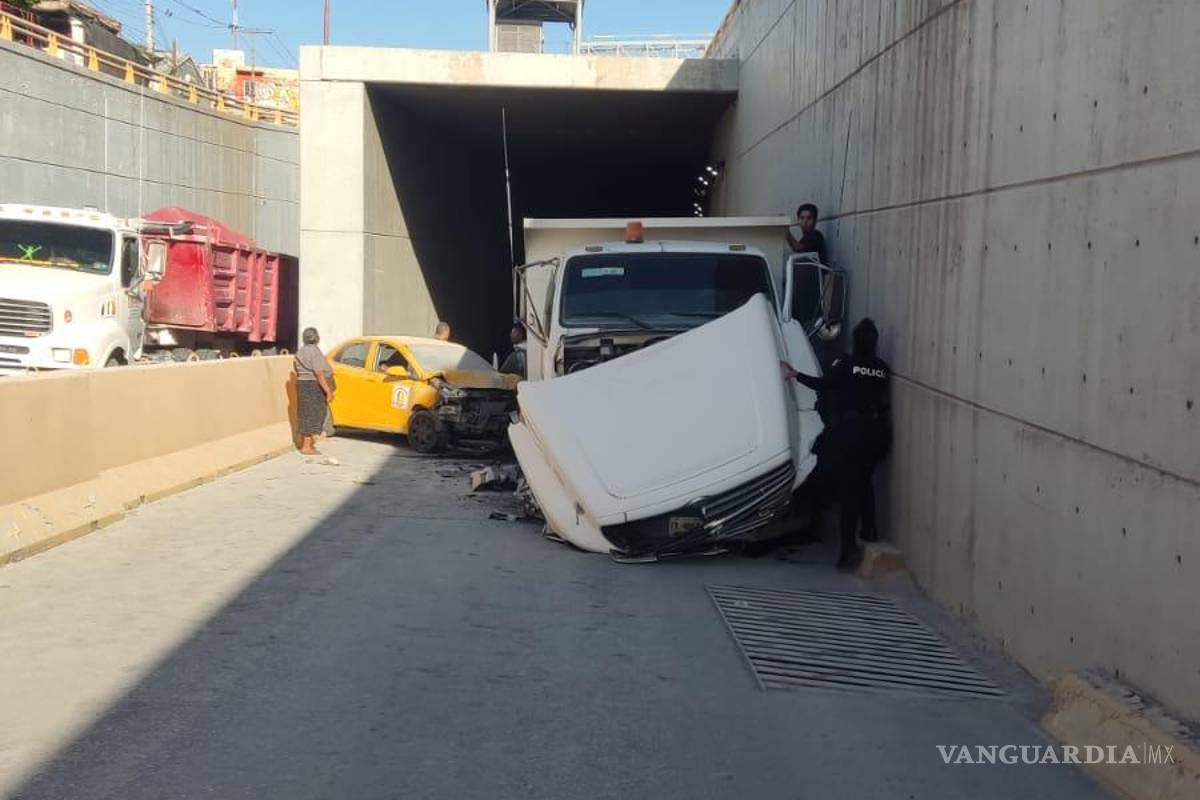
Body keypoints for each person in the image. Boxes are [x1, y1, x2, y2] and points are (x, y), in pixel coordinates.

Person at [781, 318, 891, 571]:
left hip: (852, 433)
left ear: (855, 341)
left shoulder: (846, 365)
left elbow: (824, 385)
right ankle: (870, 529)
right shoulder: (882, 368)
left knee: (849, 491)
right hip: (876, 433)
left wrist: (795, 375)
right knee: (866, 482)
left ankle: (847, 551)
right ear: (875, 343)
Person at [293, 327, 335, 456]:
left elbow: (296, 367)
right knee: (313, 414)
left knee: (306, 413)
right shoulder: (314, 352)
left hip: (303, 384)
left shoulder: (300, 351)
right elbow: (319, 373)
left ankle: (308, 444)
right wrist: (328, 391)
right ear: (316, 338)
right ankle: (306, 447)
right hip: (313, 385)